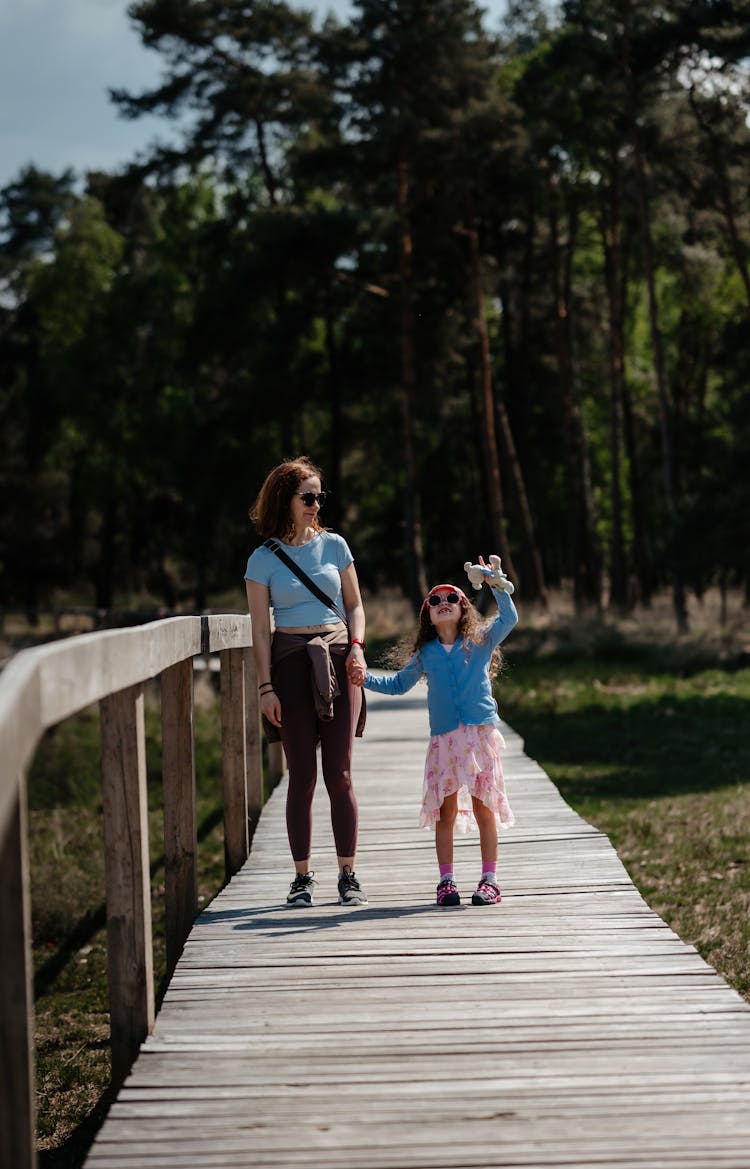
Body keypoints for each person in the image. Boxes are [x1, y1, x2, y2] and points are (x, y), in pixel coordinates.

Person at [352, 556, 517, 907]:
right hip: (444, 740)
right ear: (427, 614)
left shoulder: (480, 640)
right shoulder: (426, 653)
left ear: (465, 608)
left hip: (478, 736)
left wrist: (496, 584)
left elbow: (510, 618)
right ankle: (446, 881)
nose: (443, 603)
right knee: (445, 811)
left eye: (452, 598)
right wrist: (364, 678)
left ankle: (490, 879)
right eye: (435, 600)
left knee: (484, 806)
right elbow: (398, 684)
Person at [244, 456, 368, 908]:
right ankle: (301, 878)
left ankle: (348, 874)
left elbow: (355, 605)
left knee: (340, 774)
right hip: (290, 664)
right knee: (302, 776)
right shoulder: (262, 560)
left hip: (338, 659)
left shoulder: (335, 546)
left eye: (319, 496)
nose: (316, 504)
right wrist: (264, 687)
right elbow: (260, 630)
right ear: (286, 500)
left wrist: (356, 646)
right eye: (308, 497)